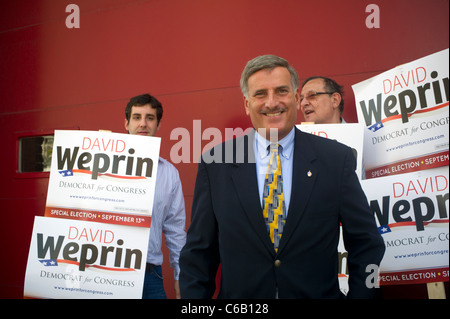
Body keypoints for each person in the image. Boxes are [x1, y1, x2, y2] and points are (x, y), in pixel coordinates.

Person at [179, 55, 385, 298]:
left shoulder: (335, 159)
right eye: (260, 94)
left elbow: (367, 244)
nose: (272, 102)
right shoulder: (216, 163)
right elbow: (198, 255)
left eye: (281, 91)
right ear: (246, 104)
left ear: (296, 98)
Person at [124, 93, 186, 299]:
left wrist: (180, 276)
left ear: (158, 125)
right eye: (136, 117)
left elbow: (176, 230)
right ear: (126, 123)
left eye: (150, 118)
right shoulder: (98, 166)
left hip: (149, 276)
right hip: (102, 270)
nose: (143, 124)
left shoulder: (169, 173)